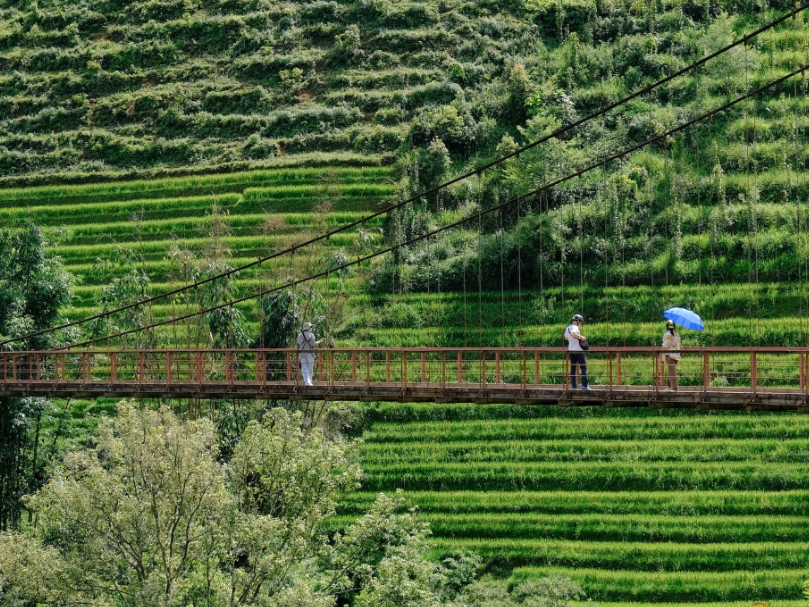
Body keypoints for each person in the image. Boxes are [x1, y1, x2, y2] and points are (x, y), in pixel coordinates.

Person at [564, 314, 590, 390]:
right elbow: (573, 333)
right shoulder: (575, 327)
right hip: (578, 351)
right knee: (584, 368)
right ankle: (585, 386)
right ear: (578, 321)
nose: (581, 324)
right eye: (581, 322)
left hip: (571, 351)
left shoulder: (567, 328)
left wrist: (572, 340)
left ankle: (574, 386)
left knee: (573, 368)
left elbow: (565, 337)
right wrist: (582, 337)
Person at [296, 322, 324, 386]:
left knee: (304, 368)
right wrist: (319, 341)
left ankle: (307, 382)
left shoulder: (300, 335)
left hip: (302, 354)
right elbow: (313, 344)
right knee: (310, 368)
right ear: (309, 328)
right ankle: (309, 382)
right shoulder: (311, 335)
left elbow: (297, 345)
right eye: (311, 327)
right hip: (310, 354)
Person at [662, 319, 681, 391]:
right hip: (676, 356)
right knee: (671, 371)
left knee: (672, 372)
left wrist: (662, 348)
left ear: (667, 327)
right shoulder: (677, 334)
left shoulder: (667, 334)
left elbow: (665, 345)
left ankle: (675, 388)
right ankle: (669, 387)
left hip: (669, 356)